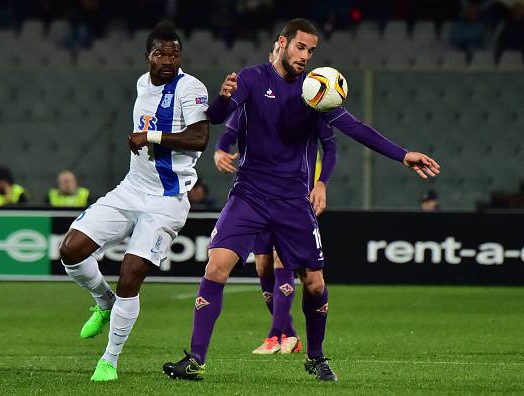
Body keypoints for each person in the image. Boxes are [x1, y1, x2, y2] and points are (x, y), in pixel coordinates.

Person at [163, 18, 440, 382]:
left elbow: (354, 128)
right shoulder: (252, 78)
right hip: (249, 194)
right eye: (301, 47)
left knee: (314, 283)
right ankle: (195, 358)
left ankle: (315, 356)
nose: (306, 56)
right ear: (282, 43)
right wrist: (224, 98)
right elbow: (215, 118)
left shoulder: (316, 91)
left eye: (311, 50)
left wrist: (403, 155)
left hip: (293, 201)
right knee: (216, 267)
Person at [58, 21, 210, 382]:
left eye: (174, 53)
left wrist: (150, 135)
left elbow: (200, 137)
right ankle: (104, 302)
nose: (168, 60)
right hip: (131, 189)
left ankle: (109, 360)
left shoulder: (190, 88)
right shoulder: (142, 84)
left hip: (167, 199)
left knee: (131, 272)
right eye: (160, 53)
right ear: (148, 57)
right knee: (71, 250)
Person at [213, 39, 338, 355]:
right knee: (263, 267)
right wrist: (218, 152)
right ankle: (288, 334)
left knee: (288, 263)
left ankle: (276, 335)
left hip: (296, 194)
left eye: (308, 52)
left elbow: (331, 146)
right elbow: (227, 131)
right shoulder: (254, 95)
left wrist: (321, 183)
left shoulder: (310, 97)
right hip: (257, 195)